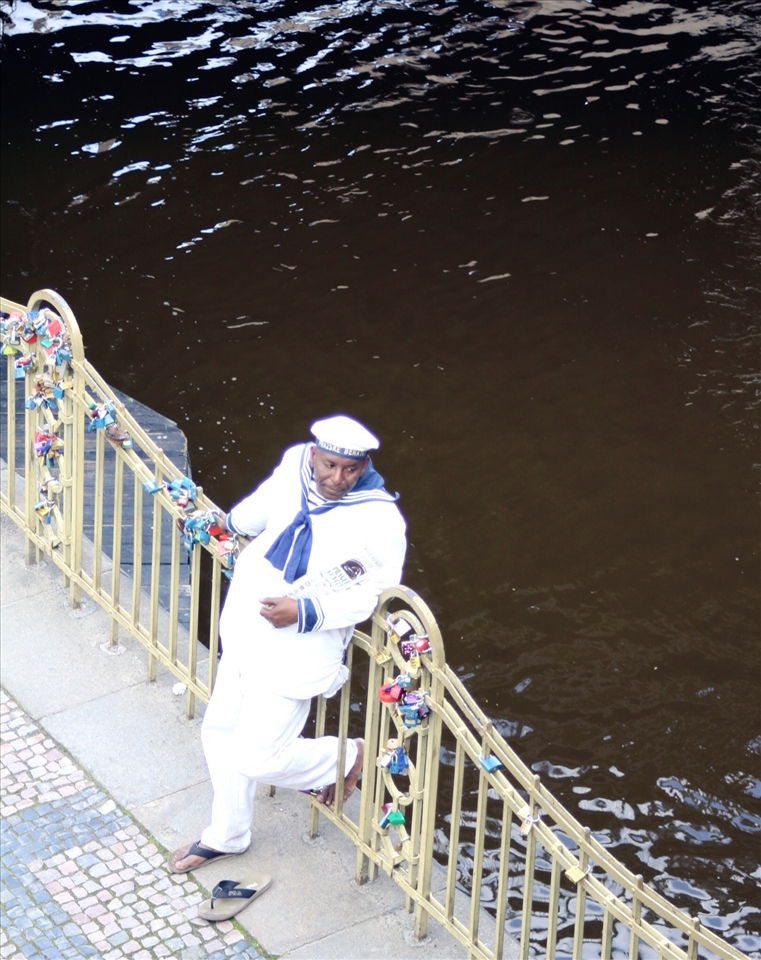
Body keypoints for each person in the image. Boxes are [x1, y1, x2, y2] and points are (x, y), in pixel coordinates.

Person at [169, 415, 407, 873]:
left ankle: (346, 756)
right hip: (244, 625)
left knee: (258, 755)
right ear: (314, 453)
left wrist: (302, 613)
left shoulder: (380, 517)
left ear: (365, 467)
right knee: (218, 732)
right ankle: (227, 835)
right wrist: (235, 520)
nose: (337, 478)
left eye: (351, 470)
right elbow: (253, 513)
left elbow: (372, 593)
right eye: (331, 465)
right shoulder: (296, 462)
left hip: (298, 651)